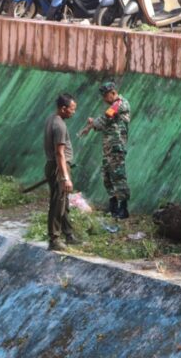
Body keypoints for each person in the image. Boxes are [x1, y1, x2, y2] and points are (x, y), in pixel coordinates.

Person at [86, 81, 131, 219]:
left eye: (106, 96)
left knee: (119, 177)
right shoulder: (112, 107)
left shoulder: (121, 103)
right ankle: (113, 206)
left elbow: (106, 116)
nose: (105, 99)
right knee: (107, 177)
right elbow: (103, 124)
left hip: (116, 147)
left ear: (113, 93)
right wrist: (94, 124)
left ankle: (123, 208)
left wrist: (94, 123)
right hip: (108, 148)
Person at [44, 94, 81, 251]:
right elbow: (59, 153)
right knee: (58, 204)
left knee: (64, 202)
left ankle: (69, 234)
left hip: (55, 166)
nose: (73, 112)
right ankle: (54, 239)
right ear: (63, 108)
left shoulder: (52, 118)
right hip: (60, 167)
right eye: (72, 109)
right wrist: (65, 177)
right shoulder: (60, 126)